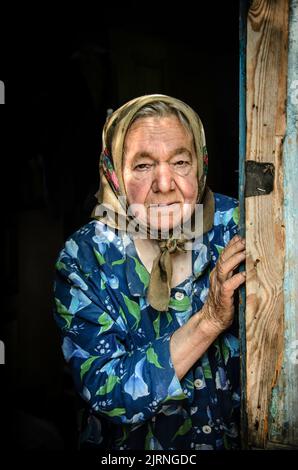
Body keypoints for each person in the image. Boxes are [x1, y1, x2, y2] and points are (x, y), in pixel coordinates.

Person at [53, 94, 246, 450]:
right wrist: (208, 321)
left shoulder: (240, 227)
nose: (164, 183)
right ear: (113, 173)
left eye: (180, 162)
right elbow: (106, 391)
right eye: (143, 166)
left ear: (201, 164)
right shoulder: (85, 258)